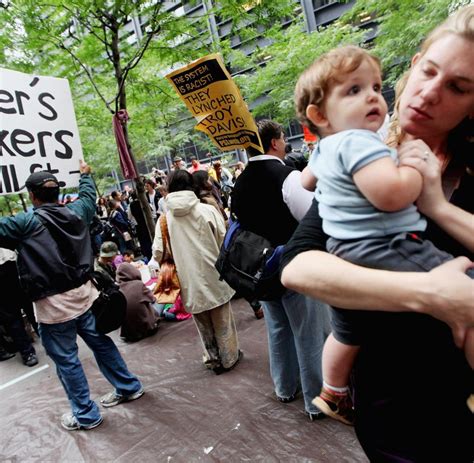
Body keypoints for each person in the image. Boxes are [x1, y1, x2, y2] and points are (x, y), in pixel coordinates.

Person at [283, 6, 474, 460]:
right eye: (428, 71)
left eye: (457, 87)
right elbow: (298, 266)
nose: (428, 94)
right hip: (390, 411)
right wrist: (429, 291)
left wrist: (437, 208)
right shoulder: (363, 152)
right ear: (413, 66)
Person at [0, 163, 144, 431]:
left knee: (67, 362)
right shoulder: (76, 211)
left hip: (54, 309)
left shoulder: (24, 223)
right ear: (57, 192)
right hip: (87, 297)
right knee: (101, 344)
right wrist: (86, 175)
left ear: (32, 195)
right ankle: (128, 386)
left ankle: (86, 415)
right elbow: (88, 197)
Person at [231, 119, 331, 421]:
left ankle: (285, 387)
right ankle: (316, 402)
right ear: (274, 142)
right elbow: (313, 217)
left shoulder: (239, 182)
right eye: (283, 138)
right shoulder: (287, 176)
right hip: (295, 266)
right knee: (309, 334)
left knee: (277, 329)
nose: (286, 142)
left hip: (260, 270)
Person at [152, 170, 242, 374]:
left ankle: (212, 358)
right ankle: (229, 357)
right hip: (215, 274)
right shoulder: (207, 210)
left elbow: (158, 252)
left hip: (187, 279)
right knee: (223, 321)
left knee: (203, 324)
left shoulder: (165, 220)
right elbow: (224, 240)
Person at [0, 248, 38, 367]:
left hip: (9, 260)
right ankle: (27, 351)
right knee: (14, 313)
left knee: (26, 306)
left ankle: (28, 352)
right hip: (8, 259)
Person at [116, 263, 160, 343]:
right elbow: (153, 299)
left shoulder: (116, 289)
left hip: (130, 334)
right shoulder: (139, 285)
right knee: (159, 302)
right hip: (148, 328)